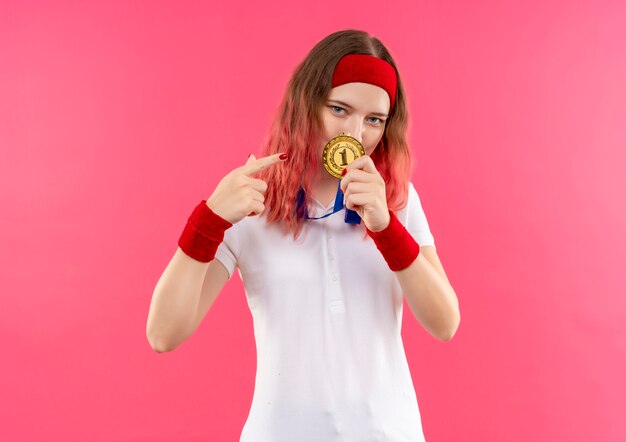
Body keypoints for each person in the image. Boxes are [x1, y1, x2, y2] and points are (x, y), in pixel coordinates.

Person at [147, 29, 460, 442]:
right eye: (339, 109)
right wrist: (209, 221)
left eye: (374, 119)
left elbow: (445, 323)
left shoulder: (395, 199)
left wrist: (386, 228)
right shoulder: (251, 201)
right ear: (306, 105)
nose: (356, 133)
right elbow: (163, 333)